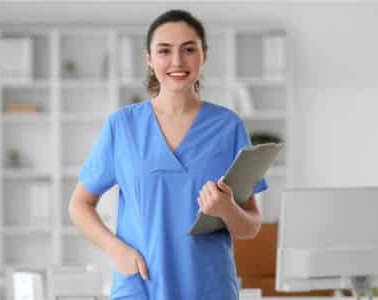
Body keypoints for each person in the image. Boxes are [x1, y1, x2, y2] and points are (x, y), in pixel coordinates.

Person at [69, 9, 268, 300]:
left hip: (208, 287)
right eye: (164, 51)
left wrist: (227, 210)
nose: (177, 61)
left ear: (204, 55)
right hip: (139, 286)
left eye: (189, 49)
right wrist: (116, 249)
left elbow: (251, 225)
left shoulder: (228, 126)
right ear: (149, 58)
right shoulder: (122, 127)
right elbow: (79, 206)